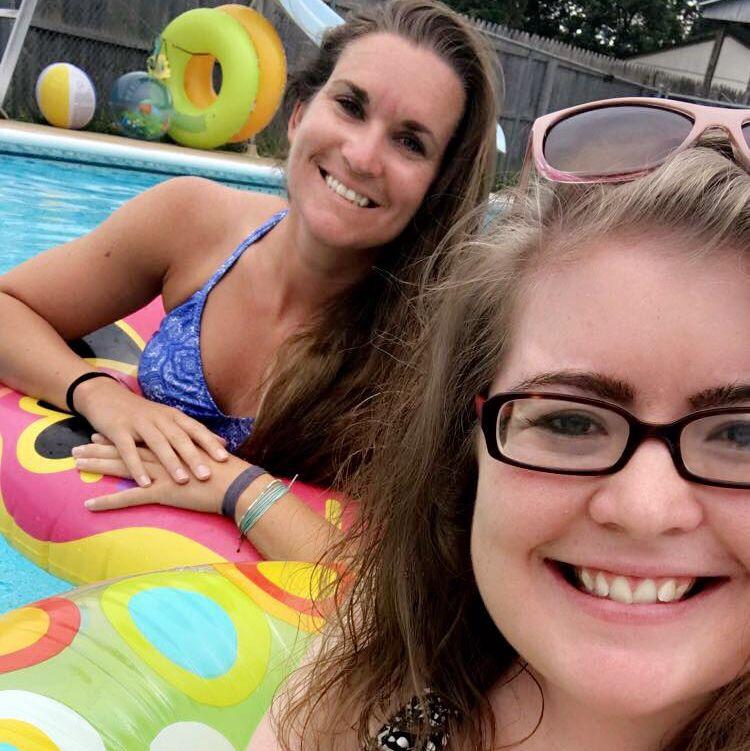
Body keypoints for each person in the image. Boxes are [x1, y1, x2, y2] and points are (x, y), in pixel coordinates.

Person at [250, 99, 750, 749]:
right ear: (471, 444)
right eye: (570, 421)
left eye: (740, 435)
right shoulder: (372, 667)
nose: (644, 510)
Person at [0, 0, 500, 561]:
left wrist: (237, 487)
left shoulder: (428, 351)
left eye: (410, 142)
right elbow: (8, 305)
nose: (362, 157)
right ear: (299, 113)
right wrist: (99, 395)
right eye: (350, 106)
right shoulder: (191, 222)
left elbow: (406, 583)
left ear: (437, 186)